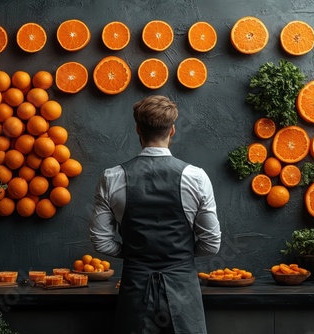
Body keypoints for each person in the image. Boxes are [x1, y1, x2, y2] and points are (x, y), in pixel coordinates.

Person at [90, 95, 221, 334]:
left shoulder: (111, 177)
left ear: (138, 129)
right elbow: (211, 245)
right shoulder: (197, 178)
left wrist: (134, 253)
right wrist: (178, 256)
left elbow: (100, 241)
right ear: (172, 130)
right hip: (184, 294)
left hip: (135, 292)